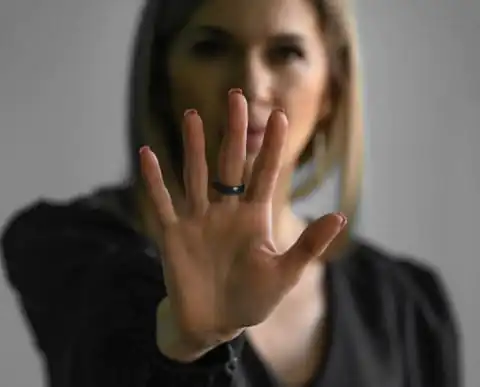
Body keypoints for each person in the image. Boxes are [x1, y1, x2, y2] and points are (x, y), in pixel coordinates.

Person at [1, 0, 461, 386]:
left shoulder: (408, 306)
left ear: (331, 94)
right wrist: (183, 342)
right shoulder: (68, 249)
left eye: (285, 53)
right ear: (163, 78)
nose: (250, 86)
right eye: (212, 48)